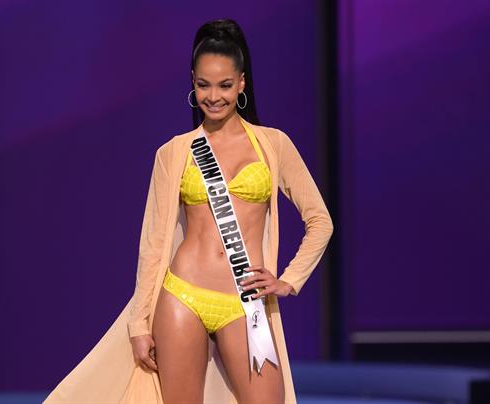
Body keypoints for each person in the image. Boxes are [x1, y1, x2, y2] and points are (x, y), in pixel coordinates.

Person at [44, 18, 333, 404]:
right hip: (182, 296)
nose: (214, 96)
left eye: (225, 85)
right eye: (203, 85)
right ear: (193, 83)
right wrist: (138, 324)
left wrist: (289, 280)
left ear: (242, 83)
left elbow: (320, 220)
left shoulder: (273, 145)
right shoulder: (175, 151)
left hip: (243, 302)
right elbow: (154, 241)